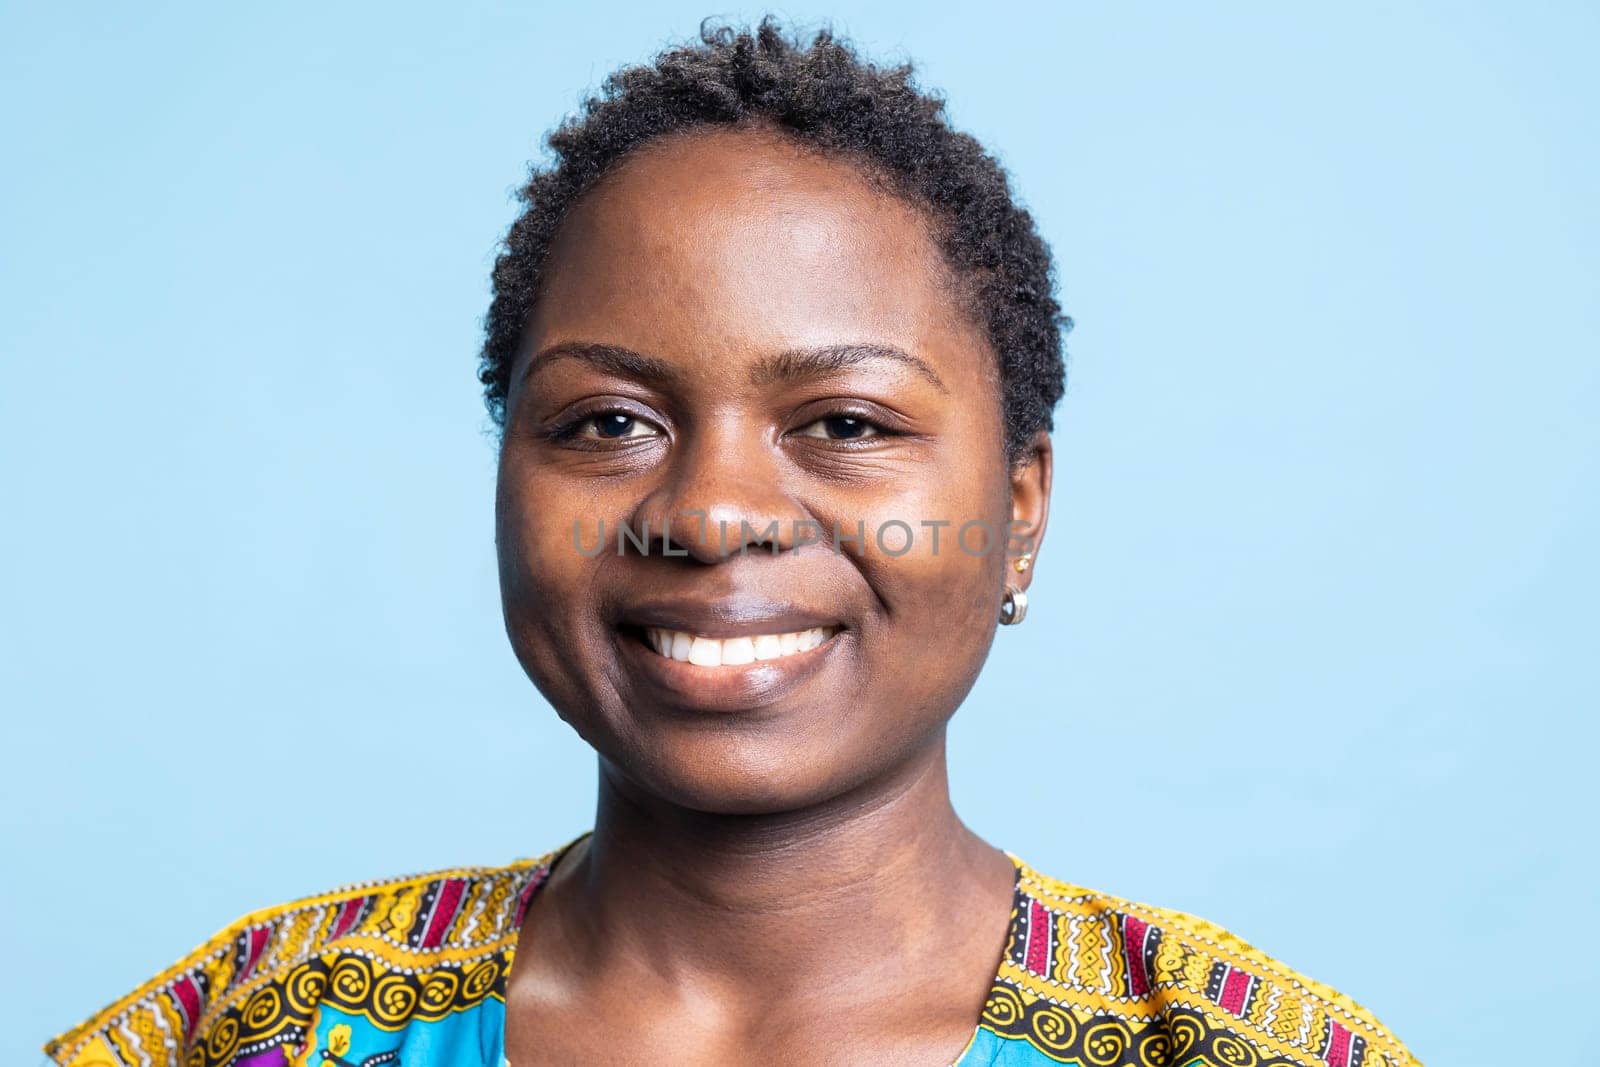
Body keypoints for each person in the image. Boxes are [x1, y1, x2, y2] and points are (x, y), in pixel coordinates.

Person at [44, 19, 1419, 1067]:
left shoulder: (1235, 1048)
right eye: (608, 422)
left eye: (846, 420)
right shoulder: (263, 1025)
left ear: (1020, 511)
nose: (708, 515)